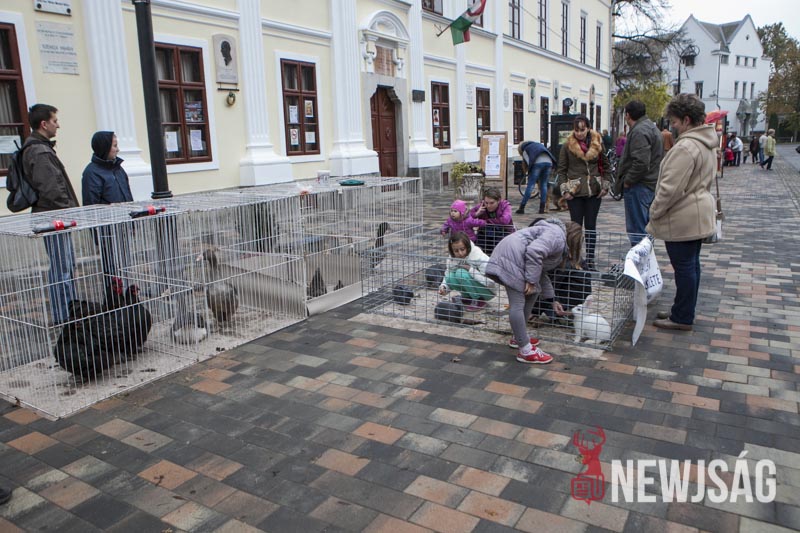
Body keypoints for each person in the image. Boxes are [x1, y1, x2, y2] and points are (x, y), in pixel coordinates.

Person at [647, 93, 716, 331]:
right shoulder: (706, 142)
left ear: (686, 120)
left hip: (683, 217)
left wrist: (654, 211)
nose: (673, 126)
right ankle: (683, 310)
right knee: (691, 265)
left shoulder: (687, 147)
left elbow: (670, 189)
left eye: (675, 121)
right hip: (697, 213)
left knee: (685, 267)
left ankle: (682, 316)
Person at [485, 219, 584, 364]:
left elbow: (540, 271)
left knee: (533, 292)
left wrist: (552, 300)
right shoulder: (557, 237)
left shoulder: (554, 234)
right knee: (517, 302)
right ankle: (525, 350)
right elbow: (534, 251)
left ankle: (519, 337)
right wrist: (531, 281)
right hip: (512, 256)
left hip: (514, 253)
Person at [22, 104, 80, 325]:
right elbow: (52, 189)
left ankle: (69, 311)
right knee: (62, 269)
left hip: (54, 216)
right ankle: (65, 316)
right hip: (53, 218)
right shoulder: (40, 151)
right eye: (55, 121)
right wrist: (68, 211)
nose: (58, 125)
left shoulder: (40, 148)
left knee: (65, 266)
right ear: (44, 124)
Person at [556, 115, 611, 268]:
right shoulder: (567, 146)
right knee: (575, 228)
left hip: (594, 191)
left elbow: (606, 166)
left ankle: (591, 260)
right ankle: (575, 260)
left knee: (591, 226)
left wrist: (605, 186)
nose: (579, 133)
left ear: (588, 128)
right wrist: (565, 190)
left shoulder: (597, 143)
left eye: (582, 129)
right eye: (577, 130)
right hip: (575, 192)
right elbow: (561, 170)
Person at [82, 131, 135, 279]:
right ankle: (114, 291)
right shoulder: (91, 172)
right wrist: (96, 234)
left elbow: (127, 194)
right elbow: (90, 205)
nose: (118, 149)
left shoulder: (118, 168)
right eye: (114, 146)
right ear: (105, 147)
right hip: (107, 229)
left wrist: (132, 221)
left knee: (126, 265)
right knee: (112, 268)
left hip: (123, 224)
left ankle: (128, 290)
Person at [616, 100, 663, 247]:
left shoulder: (639, 131)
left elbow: (641, 162)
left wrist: (628, 181)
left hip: (640, 185)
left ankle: (640, 259)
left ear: (628, 115)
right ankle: (645, 258)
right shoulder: (651, 127)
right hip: (649, 184)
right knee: (645, 228)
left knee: (638, 230)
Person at [438, 232, 496, 311]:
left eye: (462, 249)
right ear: (452, 251)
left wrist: (470, 270)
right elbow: (448, 273)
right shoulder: (452, 258)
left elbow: (490, 282)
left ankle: (478, 300)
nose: (460, 253)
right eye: (456, 251)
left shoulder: (478, 256)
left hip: (487, 291)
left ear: (467, 247)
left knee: (460, 273)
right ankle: (467, 298)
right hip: (473, 285)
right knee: (450, 277)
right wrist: (444, 287)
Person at [468, 187, 514, 255]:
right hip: (485, 235)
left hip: (503, 233)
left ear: (498, 200)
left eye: (492, 203)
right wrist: (476, 214)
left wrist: (486, 221)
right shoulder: (482, 205)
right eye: (486, 203)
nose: (488, 206)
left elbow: (505, 220)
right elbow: (467, 217)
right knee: (478, 248)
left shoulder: (505, 205)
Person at [516, 140, 556, 215]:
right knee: (544, 184)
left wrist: (529, 174)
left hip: (537, 163)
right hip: (549, 162)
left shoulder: (525, 150)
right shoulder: (537, 145)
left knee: (531, 185)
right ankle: (542, 208)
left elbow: (529, 163)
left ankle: (522, 207)